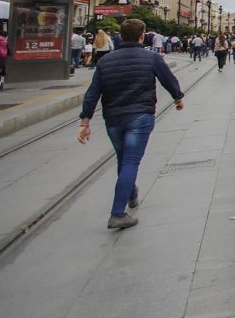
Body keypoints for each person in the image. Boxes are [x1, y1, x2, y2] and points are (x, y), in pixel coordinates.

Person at [76, 18, 185, 229]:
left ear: (120, 36)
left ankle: (131, 192)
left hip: (113, 118)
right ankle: (118, 213)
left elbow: (92, 94)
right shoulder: (151, 58)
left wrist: (85, 121)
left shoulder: (105, 61)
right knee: (131, 161)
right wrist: (178, 98)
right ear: (142, 35)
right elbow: (169, 80)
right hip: (140, 116)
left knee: (123, 158)